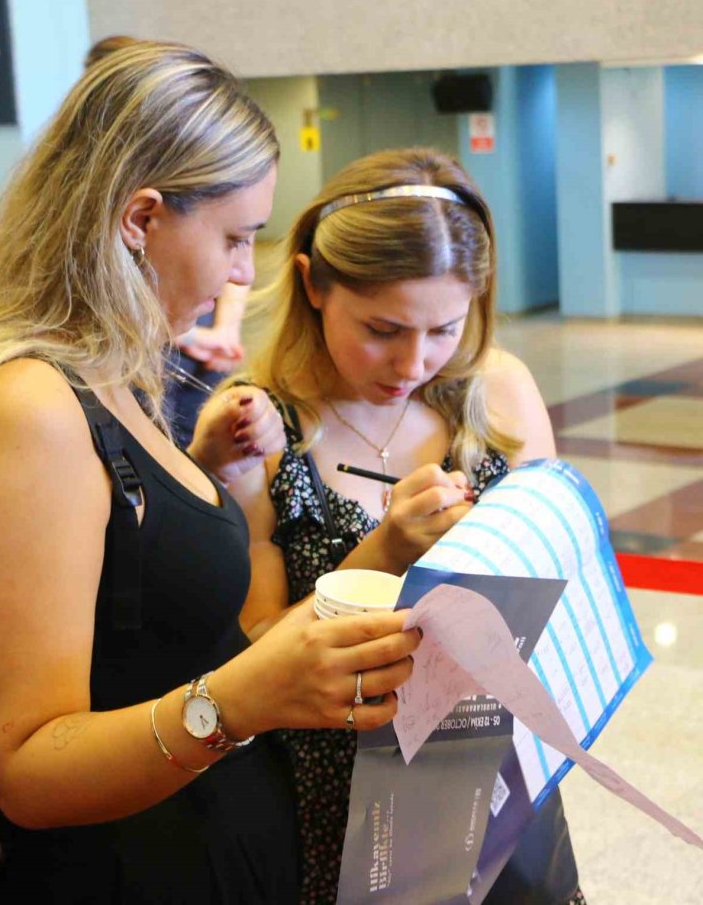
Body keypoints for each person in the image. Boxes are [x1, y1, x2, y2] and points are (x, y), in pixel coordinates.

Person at [0, 42, 421, 902]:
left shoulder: (111, 372)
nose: (241, 272)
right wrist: (246, 697)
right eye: (235, 237)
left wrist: (201, 474)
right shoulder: (26, 408)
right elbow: (30, 767)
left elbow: (120, 589)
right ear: (140, 218)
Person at [193, 147, 585, 904]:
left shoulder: (494, 389)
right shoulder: (258, 425)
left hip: (490, 777)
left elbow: (554, 586)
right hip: (338, 797)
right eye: (382, 328)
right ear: (312, 285)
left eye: (444, 326)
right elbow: (254, 655)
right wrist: (384, 552)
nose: (413, 361)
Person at [86, 34, 253, 447]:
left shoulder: (194, 162)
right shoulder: (97, 194)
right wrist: (197, 338)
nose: (242, 269)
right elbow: (107, 304)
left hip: (196, 340)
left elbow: (238, 254)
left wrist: (225, 333)